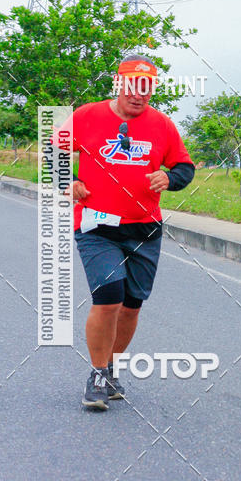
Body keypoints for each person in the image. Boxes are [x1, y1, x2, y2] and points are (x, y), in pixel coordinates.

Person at [62, 55, 195, 411]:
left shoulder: (162, 125)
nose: (139, 95)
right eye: (134, 87)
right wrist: (69, 180)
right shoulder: (87, 116)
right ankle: (98, 372)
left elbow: (184, 166)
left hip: (144, 228)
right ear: (119, 84)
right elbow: (52, 153)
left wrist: (170, 177)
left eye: (147, 89)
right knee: (109, 295)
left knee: (132, 305)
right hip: (96, 225)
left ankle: (111, 369)